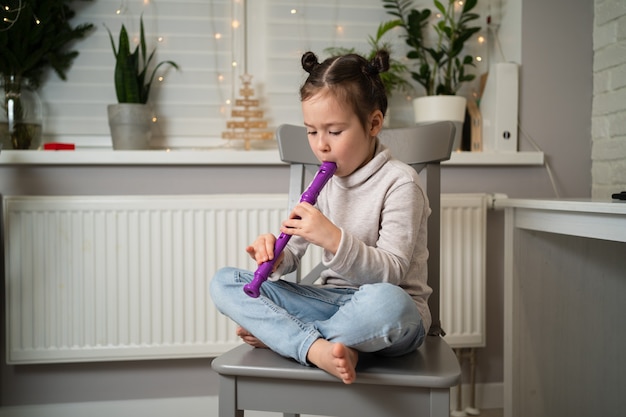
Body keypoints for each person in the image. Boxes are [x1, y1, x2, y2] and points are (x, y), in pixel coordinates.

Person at [210, 50, 432, 385]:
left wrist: (332, 238)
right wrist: (274, 256)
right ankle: (328, 349)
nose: (321, 146)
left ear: (373, 123)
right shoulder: (324, 183)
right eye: (312, 132)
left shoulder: (400, 183)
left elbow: (391, 273)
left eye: (334, 131)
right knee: (225, 282)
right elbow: (293, 255)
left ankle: (293, 340)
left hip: (387, 309)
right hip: (327, 302)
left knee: (389, 304)